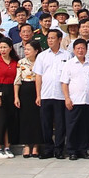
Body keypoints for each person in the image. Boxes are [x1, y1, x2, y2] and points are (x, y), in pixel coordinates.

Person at [34, 30, 69, 160]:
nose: (50, 40)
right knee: (46, 124)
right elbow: (38, 76)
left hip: (60, 95)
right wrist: (38, 95)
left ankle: (59, 149)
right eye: (48, 38)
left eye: (52, 38)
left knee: (60, 124)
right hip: (46, 94)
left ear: (59, 39)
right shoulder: (42, 56)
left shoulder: (67, 55)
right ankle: (48, 148)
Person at [60, 38, 89, 160]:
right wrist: (67, 98)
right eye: (78, 48)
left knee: (85, 127)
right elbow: (64, 83)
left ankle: (83, 150)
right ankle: (72, 151)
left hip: (86, 101)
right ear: (74, 50)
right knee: (72, 127)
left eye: (83, 48)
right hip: (73, 101)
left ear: (86, 50)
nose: (80, 50)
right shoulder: (69, 64)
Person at [0, 38, 21, 159]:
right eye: (0, 47)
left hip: (11, 91)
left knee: (9, 120)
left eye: (5, 47)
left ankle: (7, 147)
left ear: (11, 48)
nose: (3, 50)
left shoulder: (15, 62)